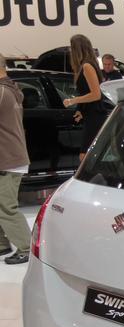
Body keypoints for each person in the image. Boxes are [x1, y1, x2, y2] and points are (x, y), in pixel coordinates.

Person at [0, 53, 32, 265]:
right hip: (10, 156)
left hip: (8, 158)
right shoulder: (11, 89)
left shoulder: (2, 91)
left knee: (5, 206)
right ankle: (2, 244)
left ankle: (26, 247)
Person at [63, 35, 108, 161]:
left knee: (85, 156)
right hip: (90, 114)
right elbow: (87, 92)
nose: (70, 52)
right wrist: (80, 109)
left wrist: (72, 100)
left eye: (72, 48)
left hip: (95, 115)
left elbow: (96, 94)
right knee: (88, 155)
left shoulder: (87, 66)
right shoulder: (84, 66)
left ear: (77, 49)